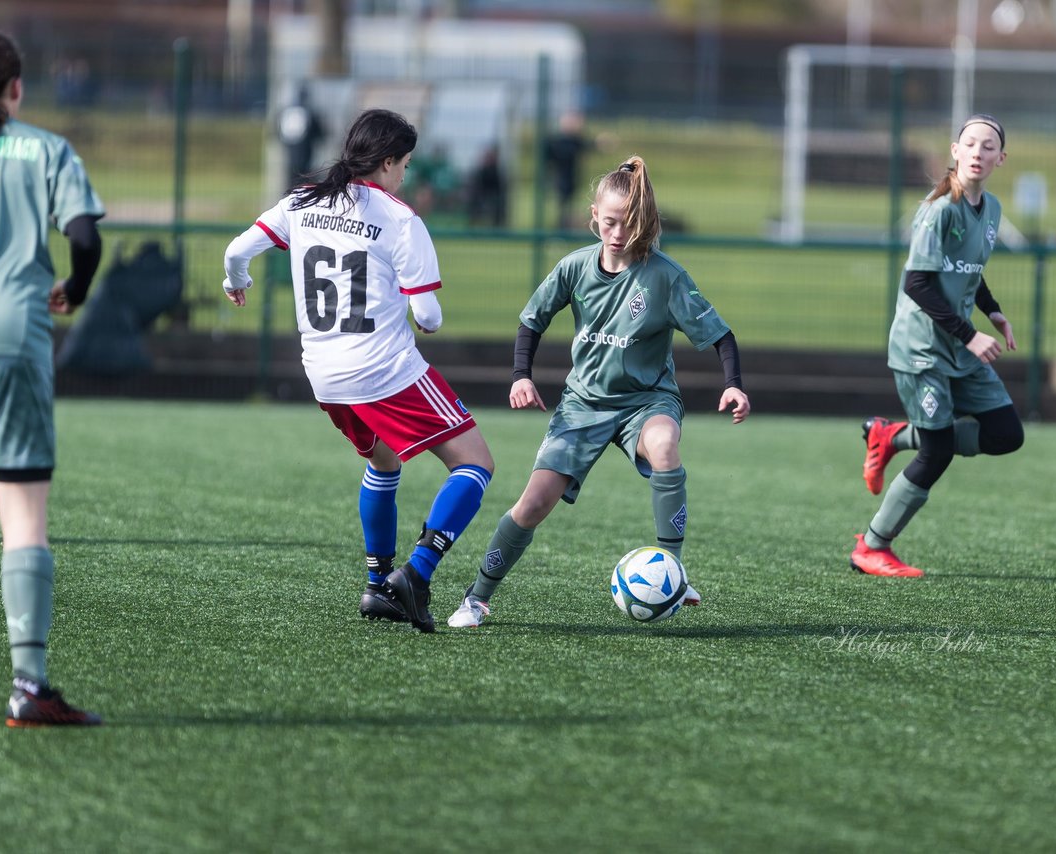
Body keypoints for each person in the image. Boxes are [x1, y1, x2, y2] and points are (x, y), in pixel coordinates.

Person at [446, 155, 751, 629]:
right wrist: (520, 375)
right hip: (583, 404)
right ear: (593, 216)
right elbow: (532, 320)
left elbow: (720, 335)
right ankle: (477, 598)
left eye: (629, 223)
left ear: (645, 222)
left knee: (665, 446)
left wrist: (733, 386)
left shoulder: (665, 276)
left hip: (646, 401)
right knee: (532, 505)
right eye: (609, 222)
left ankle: (672, 570)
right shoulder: (574, 267)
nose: (618, 233)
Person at [223, 108, 494, 633]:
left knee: (384, 462)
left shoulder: (302, 200)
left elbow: (238, 251)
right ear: (388, 161)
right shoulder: (399, 218)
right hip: (383, 369)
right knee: (475, 464)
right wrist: (414, 305)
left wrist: (238, 282)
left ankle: (377, 585)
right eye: (406, 164)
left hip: (323, 372)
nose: (406, 175)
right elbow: (430, 318)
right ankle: (415, 577)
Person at [0, 30, 105, 725]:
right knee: (22, 515)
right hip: (13, 332)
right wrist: (76, 287)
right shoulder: (45, 148)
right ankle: (29, 687)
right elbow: (87, 238)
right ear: (16, 89)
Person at [852, 114, 1024, 578]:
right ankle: (871, 546)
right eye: (970, 144)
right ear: (955, 151)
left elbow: (969, 267)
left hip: (957, 346)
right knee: (939, 451)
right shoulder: (939, 209)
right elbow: (918, 284)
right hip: (922, 350)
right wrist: (971, 335)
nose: (978, 153)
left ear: (1000, 159)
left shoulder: (991, 210)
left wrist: (993, 311)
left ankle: (890, 435)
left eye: (989, 147)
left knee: (1007, 434)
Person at [544, 111, 592, 230]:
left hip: (572, 176)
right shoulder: (558, 141)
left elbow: (586, 145)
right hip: (561, 177)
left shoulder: (575, 140)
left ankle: (565, 225)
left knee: (569, 204)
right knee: (563, 204)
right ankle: (561, 226)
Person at [276, 83, 326, 191]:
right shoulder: (308, 113)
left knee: (291, 176)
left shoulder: (287, 112)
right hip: (305, 153)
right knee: (304, 176)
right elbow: (319, 134)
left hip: (291, 152)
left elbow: (279, 132)